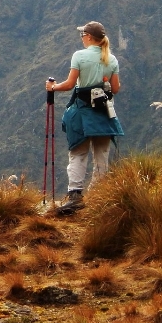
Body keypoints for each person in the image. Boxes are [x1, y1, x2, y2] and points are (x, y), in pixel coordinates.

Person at [45, 21, 122, 215]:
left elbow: (70, 84)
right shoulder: (111, 59)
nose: (81, 38)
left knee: (78, 153)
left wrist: (52, 88)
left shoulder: (79, 56)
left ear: (88, 37)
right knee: (101, 156)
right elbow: (116, 89)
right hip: (104, 112)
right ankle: (98, 197)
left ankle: (75, 197)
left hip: (82, 111)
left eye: (82, 35)